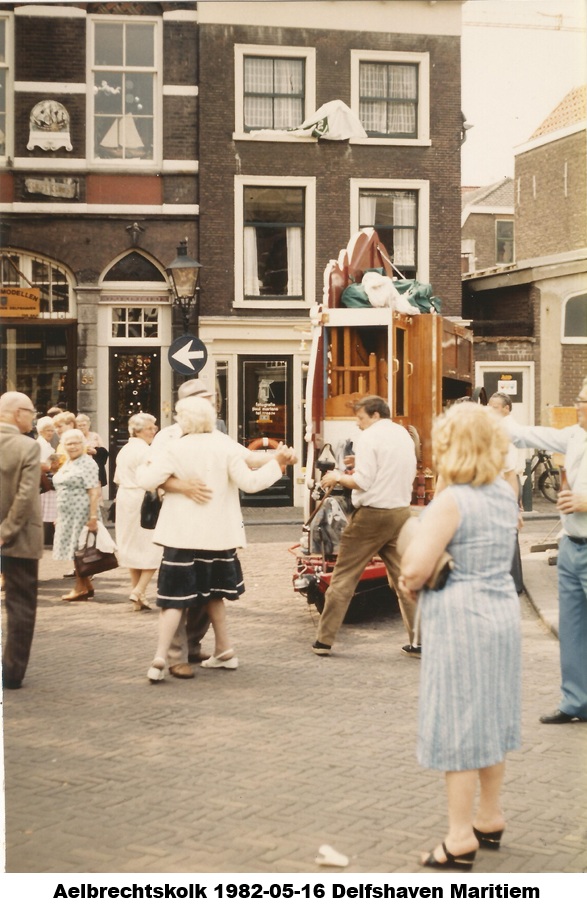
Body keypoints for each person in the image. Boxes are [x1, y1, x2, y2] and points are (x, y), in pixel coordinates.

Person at [399, 402, 521, 871]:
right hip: (501, 613)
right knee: (491, 715)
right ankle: (490, 817)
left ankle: (459, 837)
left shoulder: (451, 502)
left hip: (461, 620)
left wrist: (411, 566)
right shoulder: (503, 495)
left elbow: (414, 570)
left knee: (457, 723)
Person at [136, 395, 297, 682]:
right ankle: (225, 650)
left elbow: (147, 480)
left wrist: (146, 469)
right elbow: (251, 482)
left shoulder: (174, 447)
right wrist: (278, 464)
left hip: (181, 535)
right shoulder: (223, 444)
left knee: (173, 600)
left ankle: (160, 657)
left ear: (183, 420)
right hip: (218, 536)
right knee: (215, 595)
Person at [505, 376, 587, 724]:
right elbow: (527, 435)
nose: (578, 404)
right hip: (571, 546)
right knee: (572, 630)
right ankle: (576, 702)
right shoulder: (576, 435)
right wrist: (490, 418)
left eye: (583, 400)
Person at [311, 395, 419, 658]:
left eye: (360, 418)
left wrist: (337, 476)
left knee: (344, 577)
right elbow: (391, 468)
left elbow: (363, 482)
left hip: (372, 516)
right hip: (400, 513)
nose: (357, 424)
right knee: (404, 579)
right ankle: (419, 641)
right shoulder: (403, 434)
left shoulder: (369, 436)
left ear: (375, 415)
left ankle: (324, 641)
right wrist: (357, 465)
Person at [0, 391, 44, 689]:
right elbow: (26, 495)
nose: (33, 417)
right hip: (20, 538)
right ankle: (12, 673)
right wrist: (5, 532)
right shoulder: (27, 446)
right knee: (20, 607)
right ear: (18, 413)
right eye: (31, 412)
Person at [113, 413, 162, 611]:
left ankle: (138, 596)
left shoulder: (124, 450)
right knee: (153, 547)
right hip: (143, 499)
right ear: (138, 431)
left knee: (133, 547)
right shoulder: (146, 451)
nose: (154, 430)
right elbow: (153, 478)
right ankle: (139, 590)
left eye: (154, 427)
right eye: (150, 428)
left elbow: (117, 479)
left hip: (125, 498)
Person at [52, 428, 102, 601]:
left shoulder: (87, 463)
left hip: (82, 513)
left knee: (79, 550)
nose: (72, 446)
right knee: (76, 550)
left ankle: (80, 588)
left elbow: (93, 491)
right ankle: (87, 586)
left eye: (76, 443)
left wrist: (93, 517)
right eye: (68, 443)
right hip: (67, 514)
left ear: (83, 444)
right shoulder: (69, 462)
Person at [487, 392, 525, 593]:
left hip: (506, 483)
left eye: (494, 407)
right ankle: (513, 581)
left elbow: (509, 470)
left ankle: (513, 583)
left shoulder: (506, 430)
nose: (489, 410)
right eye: (488, 405)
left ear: (506, 409)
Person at [36, 416, 59, 545]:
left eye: (52, 430)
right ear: (41, 431)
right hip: (44, 480)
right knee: (46, 508)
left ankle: (47, 538)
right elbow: (40, 464)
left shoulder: (46, 444)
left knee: (48, 508)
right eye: (48, 430)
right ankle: (46, 538)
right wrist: (52, 464)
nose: (51, 433)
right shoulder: (40, 444)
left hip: (48, 478)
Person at [76, 413, 109, 487]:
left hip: (95, 470)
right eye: (79, 425)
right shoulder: (75, 437)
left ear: (88, 425)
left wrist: (95, 452)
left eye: (84, 425)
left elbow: (104, 452)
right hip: (80, 470)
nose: (82, 427)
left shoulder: (95, 436)